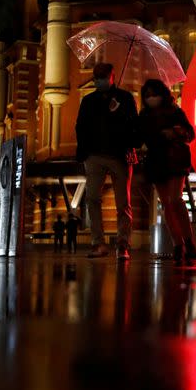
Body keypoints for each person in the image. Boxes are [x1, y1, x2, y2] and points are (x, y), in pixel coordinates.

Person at [75, 62, 139, 260]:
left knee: (123, 203)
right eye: (97, 77)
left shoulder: (125, 98)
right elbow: (81, 126)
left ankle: (122, 243)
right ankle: (98, 242)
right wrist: (84, 151)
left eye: (103, 76)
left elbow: (134, 125)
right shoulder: (88, 101)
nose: (99, 80)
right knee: (92, 198)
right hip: (94, 154)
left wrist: (118, 112)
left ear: (112, 76)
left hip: (119, 155)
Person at [136, 79, 196, 262]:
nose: (151, 98)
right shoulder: (144, 116)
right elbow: (139, 139)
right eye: (147, 96)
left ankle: (187, 241)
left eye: (154, 94)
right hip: (157, 160)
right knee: (167, 204)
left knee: (174, 200)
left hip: (174, 158)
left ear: (162, 94)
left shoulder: (175, 111)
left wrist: (175, 131)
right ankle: (179, 244)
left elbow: (190, 134)